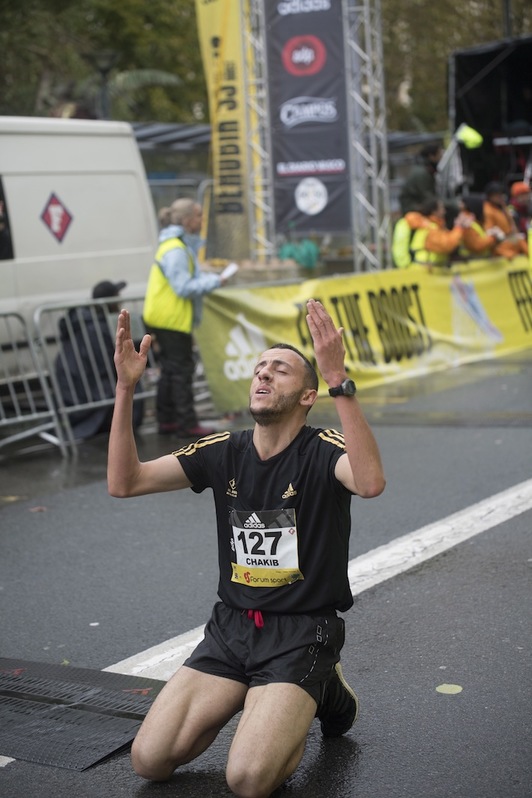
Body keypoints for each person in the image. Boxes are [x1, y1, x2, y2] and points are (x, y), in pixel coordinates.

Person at [108, 299, 386, 797]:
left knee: (249, 780)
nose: (263, 375)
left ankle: (317, 688)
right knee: (148, 760)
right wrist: (126, 388)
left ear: (306, 395)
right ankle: (262, 694)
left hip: (302, 631)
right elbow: (125, 482)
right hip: (232, 628)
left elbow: (369, 482)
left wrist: (339, 379)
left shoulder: (323, 449)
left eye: (279, 370)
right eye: (259, 368)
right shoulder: (223, 450)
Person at [143, 197, 228, 438]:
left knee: (170, 371)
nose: (202, 221)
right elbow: (182, 287)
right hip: (171, 319)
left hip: (165, 317)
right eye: (199, 215)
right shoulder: (176, 248)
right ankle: (186, 423)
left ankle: (168, 420)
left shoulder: (174, 245)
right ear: (188, 219)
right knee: (181, 371)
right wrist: (215, 282)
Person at [55, 280, 143, 440]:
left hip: (77, 391)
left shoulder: (84, 323)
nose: (119, 301)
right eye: (117, 297)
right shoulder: (94, 328)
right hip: (88, 396)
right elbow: (104, 368)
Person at [392, 195, 471, 269]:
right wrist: (459, 227)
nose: (444, 211)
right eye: (441, 208)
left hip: (428, 269)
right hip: (423, 270)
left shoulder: (434, 226)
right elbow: (446, 245)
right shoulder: (430, 229)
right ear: (434, 211)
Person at [482, 181, 529, 259]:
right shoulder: (488, 210)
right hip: (499, 243)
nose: (500, 197)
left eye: (501, 194)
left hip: (510, 238)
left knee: (521, 242)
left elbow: (511, 224)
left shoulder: (502, 206)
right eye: (497, 195)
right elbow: (489, 231)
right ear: (490, 196)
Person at [398, 141, 444, 215]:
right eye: (439, 154)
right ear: (431, 156)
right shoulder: (422, 172)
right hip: (413, 209)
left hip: (416, 206)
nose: (441, 157)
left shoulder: (424, 169)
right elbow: (428, 197)